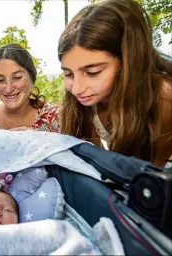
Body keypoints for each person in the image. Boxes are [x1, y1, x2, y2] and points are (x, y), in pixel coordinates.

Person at [58, 0, 172, 168]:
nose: (77, 89)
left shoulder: (164, 96)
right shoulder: (87, 97)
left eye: (92, 72)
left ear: (129, 62)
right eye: (68, 73)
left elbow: (151, 173)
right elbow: (97, 162)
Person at [0, 43, 60, 132]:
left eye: (17, 78)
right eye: (1, 80)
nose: (9, 89)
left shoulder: (56, 117)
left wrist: (40, 138)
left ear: (31, 78)